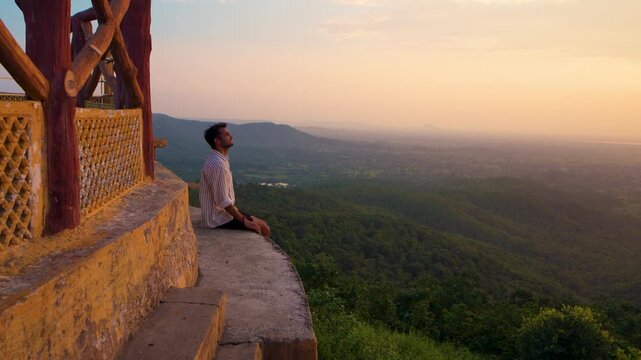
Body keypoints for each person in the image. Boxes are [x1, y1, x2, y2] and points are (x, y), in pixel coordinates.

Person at [199, 123, 270, 236]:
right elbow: (223, 201)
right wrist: (244, 221)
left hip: (218, 213)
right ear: (217, 140)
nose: (231, 136)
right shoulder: (219, 165)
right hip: (217, 218)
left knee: (264, 225)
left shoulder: (217, 159)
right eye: (227, 135)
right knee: (263, 228)